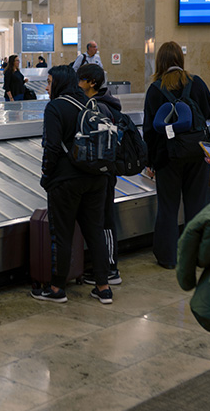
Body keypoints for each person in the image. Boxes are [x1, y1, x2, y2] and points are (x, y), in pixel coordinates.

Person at [32, 65, 113, 304]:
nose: (46, 88)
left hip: (66, 181)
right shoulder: (92, 104)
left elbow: (52, 147)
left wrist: (46, 177)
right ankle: (103, 286)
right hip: (97, 178)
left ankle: (57, 288)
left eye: (48, 82)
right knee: (94, 232)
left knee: (62, 234)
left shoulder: (55, 107)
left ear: (58, 83)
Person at [142, 41, 210, 269]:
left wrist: (151, 162)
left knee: (168, 207)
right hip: (197, 154)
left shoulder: (155, 89)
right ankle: (197, 255)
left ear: (160, 61)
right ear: (180, 60)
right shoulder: (197, 83)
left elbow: (149, 131)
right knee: (197, 205)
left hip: (167, 157)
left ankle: (167, 258)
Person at [77, 62, 123, 286]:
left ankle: (110, 268)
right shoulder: (108, 103)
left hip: (104, 170)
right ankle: (105, 266)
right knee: (103, 217)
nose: (78, 84)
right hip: (108, 169)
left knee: (105, 219)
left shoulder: (97, 105)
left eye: (81, 79)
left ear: (91, 83)